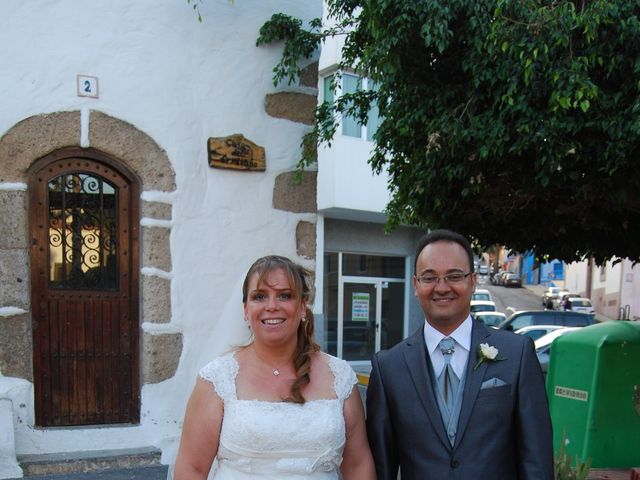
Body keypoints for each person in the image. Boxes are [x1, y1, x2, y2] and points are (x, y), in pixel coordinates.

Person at [366, 229, 554, 479]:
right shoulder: (388, 367)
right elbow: (382, 469)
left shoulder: (517, 355)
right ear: (415, 284)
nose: (442, 288)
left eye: (454, 276)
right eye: (429, 277)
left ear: (473, 281)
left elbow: (537, 462)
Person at [173, 255, 375, 480]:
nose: (271, 306)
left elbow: (358, 465)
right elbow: (191, 469)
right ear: (245, 310)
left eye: (285, 296)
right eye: (259, 297)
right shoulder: (218, 380)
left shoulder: (340, 377)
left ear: (302, 308)